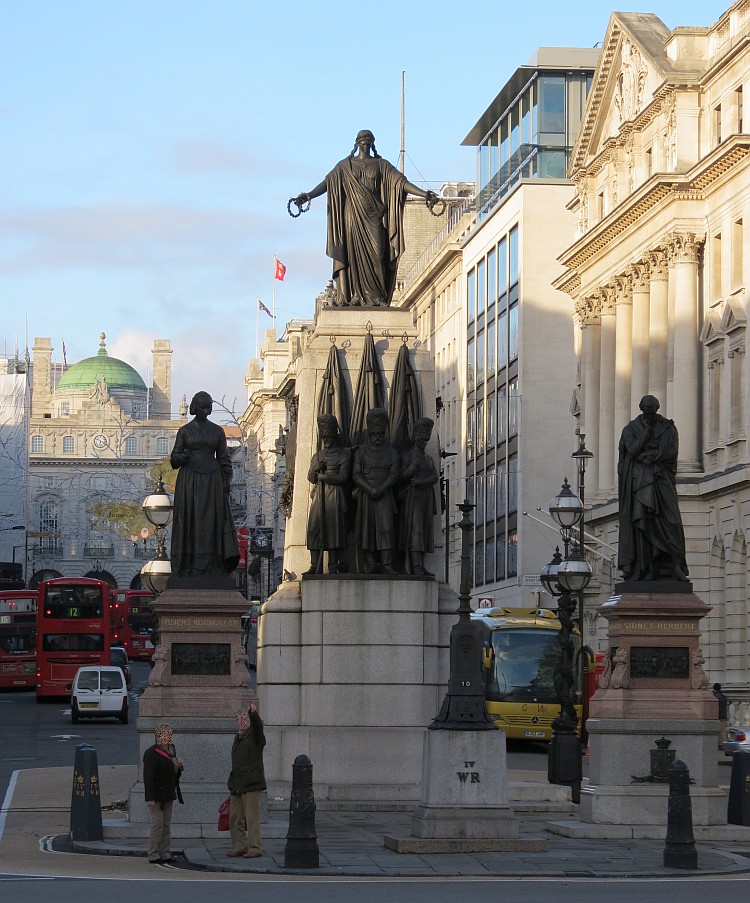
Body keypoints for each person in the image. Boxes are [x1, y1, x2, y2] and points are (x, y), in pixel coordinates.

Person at [291, 129, 440, 307]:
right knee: (353, 255)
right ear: (356, 143)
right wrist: (307, 196)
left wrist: (425, 195)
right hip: (352, 216)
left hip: (373, 215)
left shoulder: (381, 165)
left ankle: (376, 296)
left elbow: (401, 183)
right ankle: (356, 295)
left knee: (378, 253)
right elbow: (327, 184)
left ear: (372, 143)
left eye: (368, 140)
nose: (365, 142)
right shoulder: (345, 166)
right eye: (362, 140)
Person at [617, 395, 689, 582]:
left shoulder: (668, 427)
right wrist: (647, 432)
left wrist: (654, 456)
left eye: (652, 409)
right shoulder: (631, 429)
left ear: (657, 408)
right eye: (646, 410)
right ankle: (649, 568)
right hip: (639, 482)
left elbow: (673, 451)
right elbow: (632, 451)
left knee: (672, 521)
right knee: (643, 525)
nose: (650, 413)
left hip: (661, 478)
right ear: (641, 409)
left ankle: (676, 566)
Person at [169, 391, 240, 579]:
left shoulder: (217, 431)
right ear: (194, 408)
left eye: (209, 407)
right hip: (190, 481)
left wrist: (227, 483)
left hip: (212, 481)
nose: (206, 410)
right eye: (203, 407)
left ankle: (213, 565)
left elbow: (224, 459)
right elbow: (174, 459)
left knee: (211, 522)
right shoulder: (184, 431)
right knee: (190, 520)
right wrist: (183, 457)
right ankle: (188, 564)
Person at [352, 408, 401, 574]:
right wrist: (370, 489)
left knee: (386, 528)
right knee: (368, 529)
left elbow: (394, 474)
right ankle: (370, 563)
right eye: (374, 435)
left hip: (385, 495)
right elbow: (356, 475)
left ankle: (387, 563)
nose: (377, 438)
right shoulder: (361, 452)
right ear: (370, 434)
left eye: (380, 434)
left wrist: (381, 489)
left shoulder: (391, 452)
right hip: (367, 496)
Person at [306, 414, 352, 575]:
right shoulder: (317, 456)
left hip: (335, 496)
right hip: (319, 495)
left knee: (334, 530)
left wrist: (325, 477)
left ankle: (333, 565)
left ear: (334, 435)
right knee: (314, 527)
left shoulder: (343, 455)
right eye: (324, 436)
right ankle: (314, 565)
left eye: (329, 436)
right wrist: (315, 469)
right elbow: (311, 478)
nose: (326, 439)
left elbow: (344, 478)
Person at [398, 417, 439, 575]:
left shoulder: (428, 458)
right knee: (416, 530)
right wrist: (412, 468)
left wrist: (421, 481)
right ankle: (414, 566)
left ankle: (420, 564)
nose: (424, 441)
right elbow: (400, 477)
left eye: (426, 439)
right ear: (415, 436)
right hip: (412, 498)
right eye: (421, 438)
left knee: (424, 531)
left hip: (426, 498)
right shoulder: (407, 456)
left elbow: (434, 476)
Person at [226, 705, 266, 859]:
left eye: (244, 719)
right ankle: (239, 846)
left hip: (252, 783)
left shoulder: (255, 737)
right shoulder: (238, 737)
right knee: (234, 817)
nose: (241, 722)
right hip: (237, 783)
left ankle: (255, 847)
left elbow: (258, 728)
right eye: (238, 719)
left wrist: (254, 714)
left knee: (251, 817)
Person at [143, 723, 183, 864]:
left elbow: (173, 774)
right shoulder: (151, 753)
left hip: (168, 793)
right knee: (157, 824)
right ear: (157, 736)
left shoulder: (172, 750)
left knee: (166, 825)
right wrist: (150, 797)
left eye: (168, 734)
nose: (165, 737)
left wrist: (178, 767)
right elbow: (148, 777)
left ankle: (165, 853)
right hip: (156, 795)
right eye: (163, 734)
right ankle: (153, 853)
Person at [713, 682, 729, 747]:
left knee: (719, 730)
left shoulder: (715, 696)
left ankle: (720, 743)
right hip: (723, 715)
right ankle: (723, 743)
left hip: (718, 716)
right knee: (723, 730)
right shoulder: (723, 696)